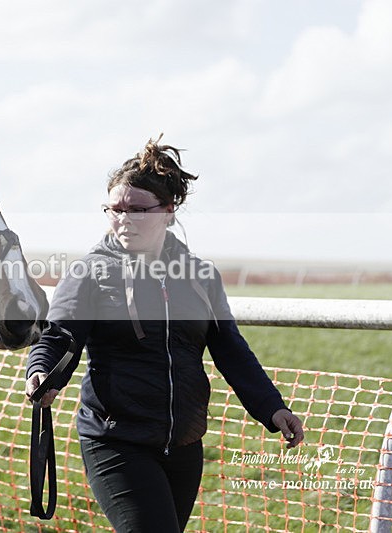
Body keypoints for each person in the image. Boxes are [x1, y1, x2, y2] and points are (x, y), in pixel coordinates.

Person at [25, 136, 304, 532]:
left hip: (185, 445)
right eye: (114, 210)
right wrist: (41, 371)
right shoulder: (89, 273)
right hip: (116, 441)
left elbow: (231, 350)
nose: (122, 219)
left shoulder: (200, 276)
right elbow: (59, 335)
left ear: (168, 211)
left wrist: (272, 408)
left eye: (136, 210)